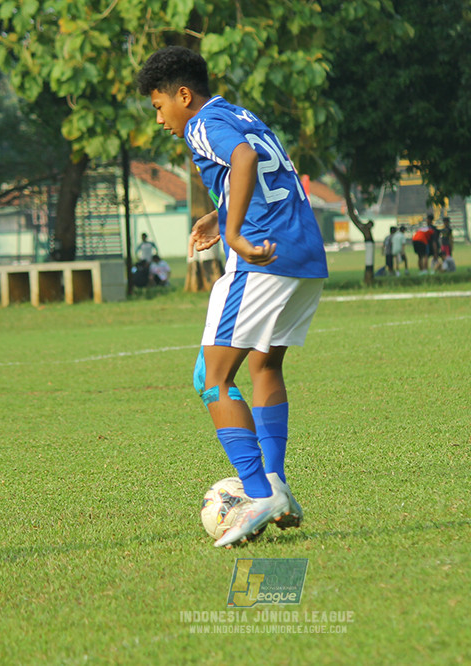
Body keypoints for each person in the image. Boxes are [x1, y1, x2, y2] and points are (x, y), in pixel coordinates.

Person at [137, 46, 328, 548]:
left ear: (184, 95)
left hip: (262, 258)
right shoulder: (239, 112)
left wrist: (236, 234)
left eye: (159, 106)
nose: (160, 119)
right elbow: (261, 168)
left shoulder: (201, 123)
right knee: (265, 365)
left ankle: (260, 494)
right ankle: (277, 483)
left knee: (211, 377)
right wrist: (219, 217)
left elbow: (241, 160)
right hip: (304, 254)